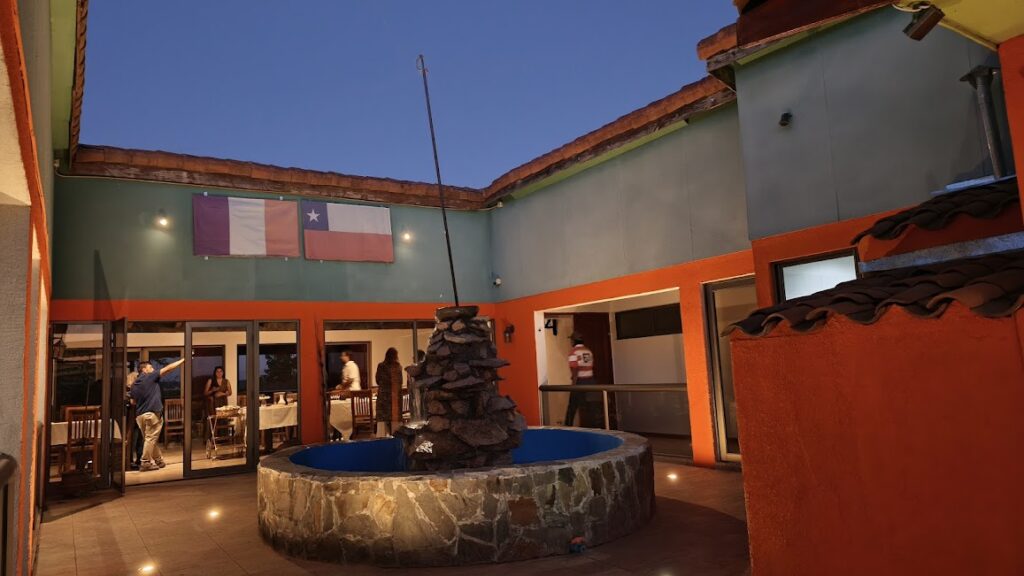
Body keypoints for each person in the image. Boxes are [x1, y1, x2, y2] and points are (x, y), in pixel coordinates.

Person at [129, 358, 185, 471]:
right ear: (144, 370)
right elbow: (168, 369)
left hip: (140, 416)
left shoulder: (134, 384)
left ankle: (159, 460)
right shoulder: (150, 376)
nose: (153, 369)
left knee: (150, 439)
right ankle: (145, 462)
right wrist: (183, 360)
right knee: (150, 439)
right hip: (152, 414)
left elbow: (133, 402)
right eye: (151, 367)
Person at [564, 331, 595, 427]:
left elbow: (575, 369)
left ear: (573, 341)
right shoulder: (588, 351)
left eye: (571, 340)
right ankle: (591, 428)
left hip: (579, 382)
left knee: (572, 407)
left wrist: (573, 384)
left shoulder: (574, 352)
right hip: (591, 382)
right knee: (589, 407)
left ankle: (567, 428)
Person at [374, 348, 403, 437]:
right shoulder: (398, 367)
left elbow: (377, 380)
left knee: (382, 426)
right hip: (395, 398)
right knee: (395, 426)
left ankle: (382, 441)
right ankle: (396, 440)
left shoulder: (381, 366)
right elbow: (400, 382)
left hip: (383, 398)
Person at [203, 366, 232, 438]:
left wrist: (223, 394)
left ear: (223, 372)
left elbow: (230, 392)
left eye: (221, 371)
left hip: (223, 403)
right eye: (217, 371)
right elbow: (205, 393)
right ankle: (212, 438)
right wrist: (212, 390)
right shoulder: (211, 380)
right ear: (215, 373)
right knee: (214, 420)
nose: (219, 373)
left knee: (223, 419)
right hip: (213, 404)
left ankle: (223, 438)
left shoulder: (226, 381)